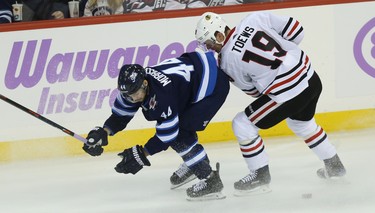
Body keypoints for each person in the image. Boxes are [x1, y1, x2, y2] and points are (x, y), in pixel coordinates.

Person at [194, 12, 346, 196]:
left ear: (219, 35)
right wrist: (286, 60)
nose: (210, 48)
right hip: (311, 77)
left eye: (210, 43)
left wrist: (272, 77)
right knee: (301, 123)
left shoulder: (226, 62)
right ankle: (334, 166)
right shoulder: (253, 19)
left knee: (242, 124)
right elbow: (297, 30)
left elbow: (254, 93)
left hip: (290, 94)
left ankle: (260, 176)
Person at [82, 51, 230, 201]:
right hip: (192, 77)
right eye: (127, 95)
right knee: (181, 129)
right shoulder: (131, 88)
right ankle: (195, 165)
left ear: (145, 84)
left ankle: (211, 181)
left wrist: (142, 154)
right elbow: (120, 115)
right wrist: (103, 132)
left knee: (180, 135)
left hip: (212, 84)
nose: (132, 98)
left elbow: (168, 135)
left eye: (134, 93)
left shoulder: (162, 95)